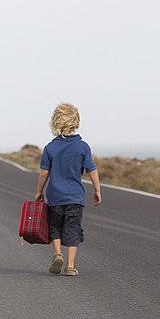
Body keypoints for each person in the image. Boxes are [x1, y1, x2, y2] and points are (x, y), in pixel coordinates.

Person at [35, 102, 101, 276]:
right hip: (75, 197)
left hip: (55, 196)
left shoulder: (50, 147)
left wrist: (39, 191)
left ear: (55, 123)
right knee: (72, 229)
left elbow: (44, 172)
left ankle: (57, 254)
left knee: (55, 226)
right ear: (77, 123)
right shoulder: (83, 147)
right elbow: (92, 170)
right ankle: (70, 266)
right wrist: (97, 190)